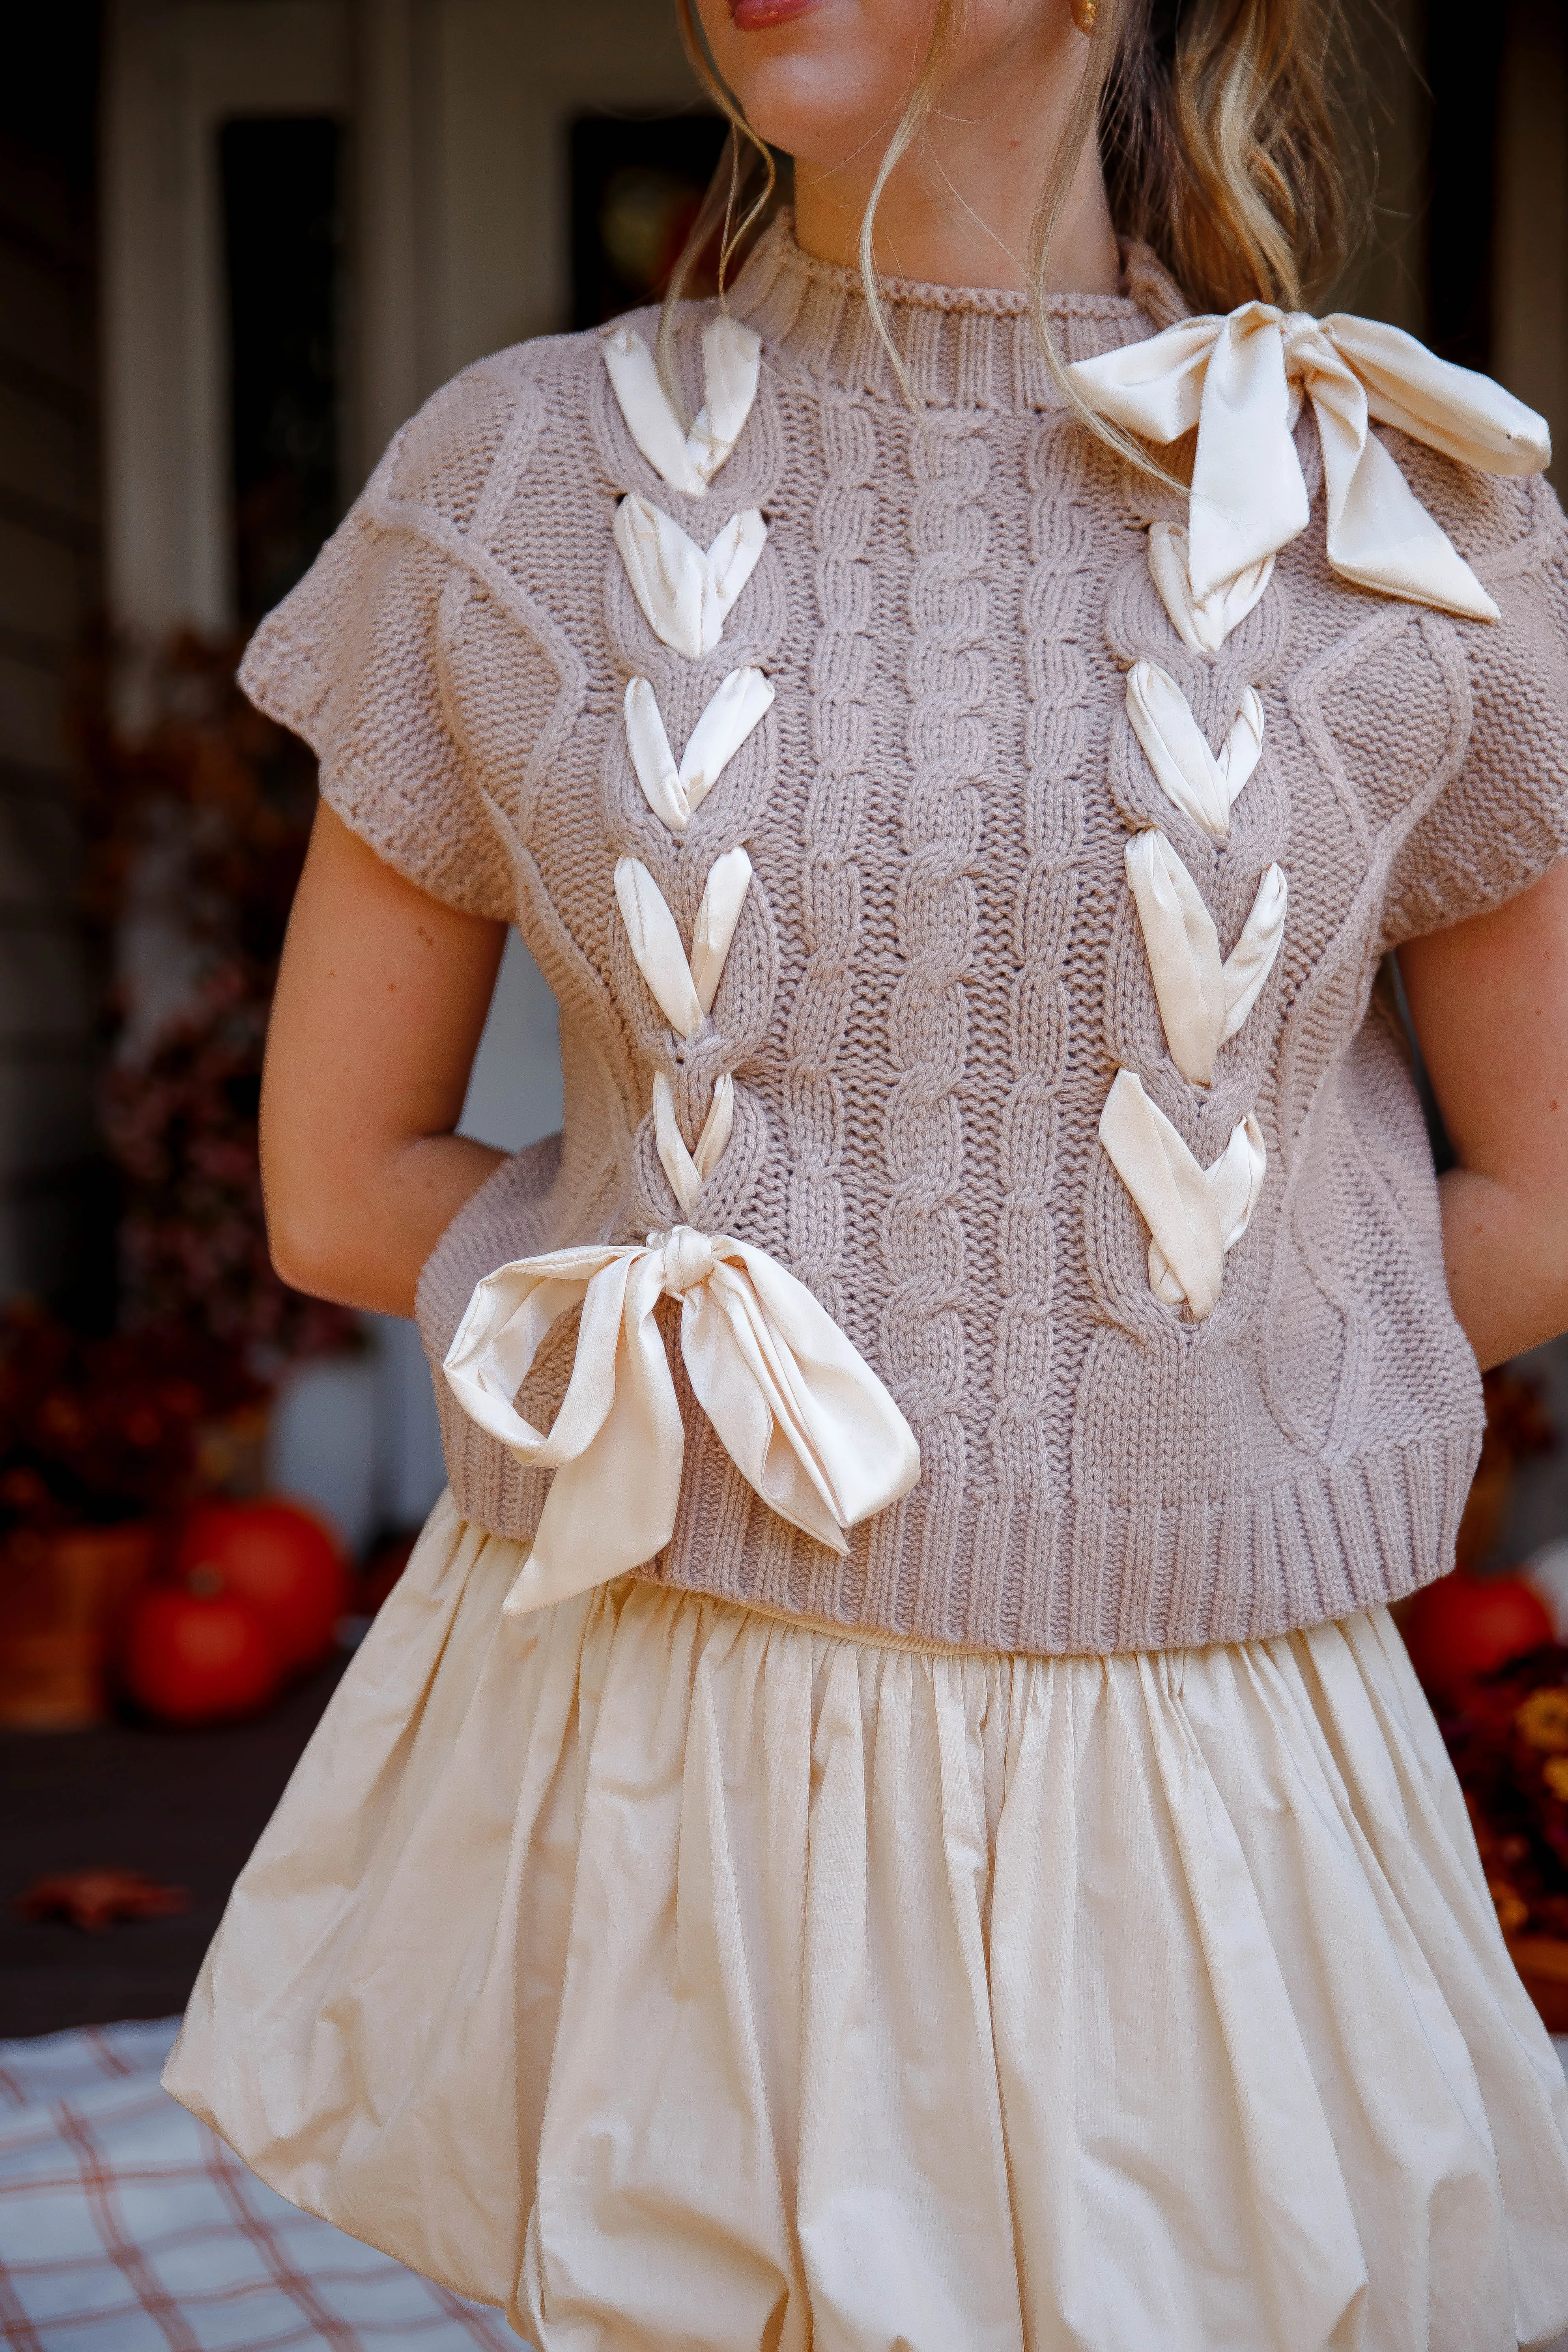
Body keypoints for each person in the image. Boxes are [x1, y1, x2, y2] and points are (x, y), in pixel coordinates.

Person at [164, 0, 1568, 2342]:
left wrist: (1200, 1393)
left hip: (1195, 1775)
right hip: (687, 1729)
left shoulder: (1405, 513)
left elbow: (1543, 1198)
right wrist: (688, 1329)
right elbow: (334, 1180)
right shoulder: (514, 484)